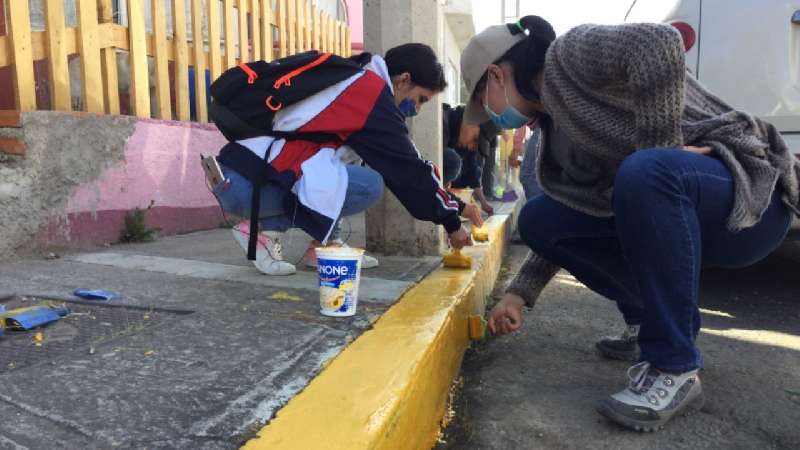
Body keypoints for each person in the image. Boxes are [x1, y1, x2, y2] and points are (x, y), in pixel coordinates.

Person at [460, 16, 798, 431]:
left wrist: (660, 156)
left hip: (746, 195)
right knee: (540, 219)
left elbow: (658, 41)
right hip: (673, 206)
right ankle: (651, 319)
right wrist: (518, 294)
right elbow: (580, 213)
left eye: (486, 104)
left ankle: (673, 366)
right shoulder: (555, 139)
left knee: (646, 170)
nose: (493, 118)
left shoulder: (568, 56)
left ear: (496, 75)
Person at [214, 43, 470, 276]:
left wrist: (455, 206)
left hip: (243, 171)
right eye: (421, 99)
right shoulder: (369, 96)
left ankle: (324, 245)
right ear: (404, 80)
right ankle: (263, 233)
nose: (418, 108)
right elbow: (408, 171)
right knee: (369, 185)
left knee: (342, 165)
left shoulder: (359, 75)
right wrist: (452, 222)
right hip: (249, 183)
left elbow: (408, 159)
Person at [444, 104, 495, 216]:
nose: (472, 146)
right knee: (453, 161)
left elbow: (472, 174)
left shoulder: (465, 143)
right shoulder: (442, 124)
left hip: (450, 191)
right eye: (475, 140)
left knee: (474, 168)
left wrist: (483, 203)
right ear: (470, 122)